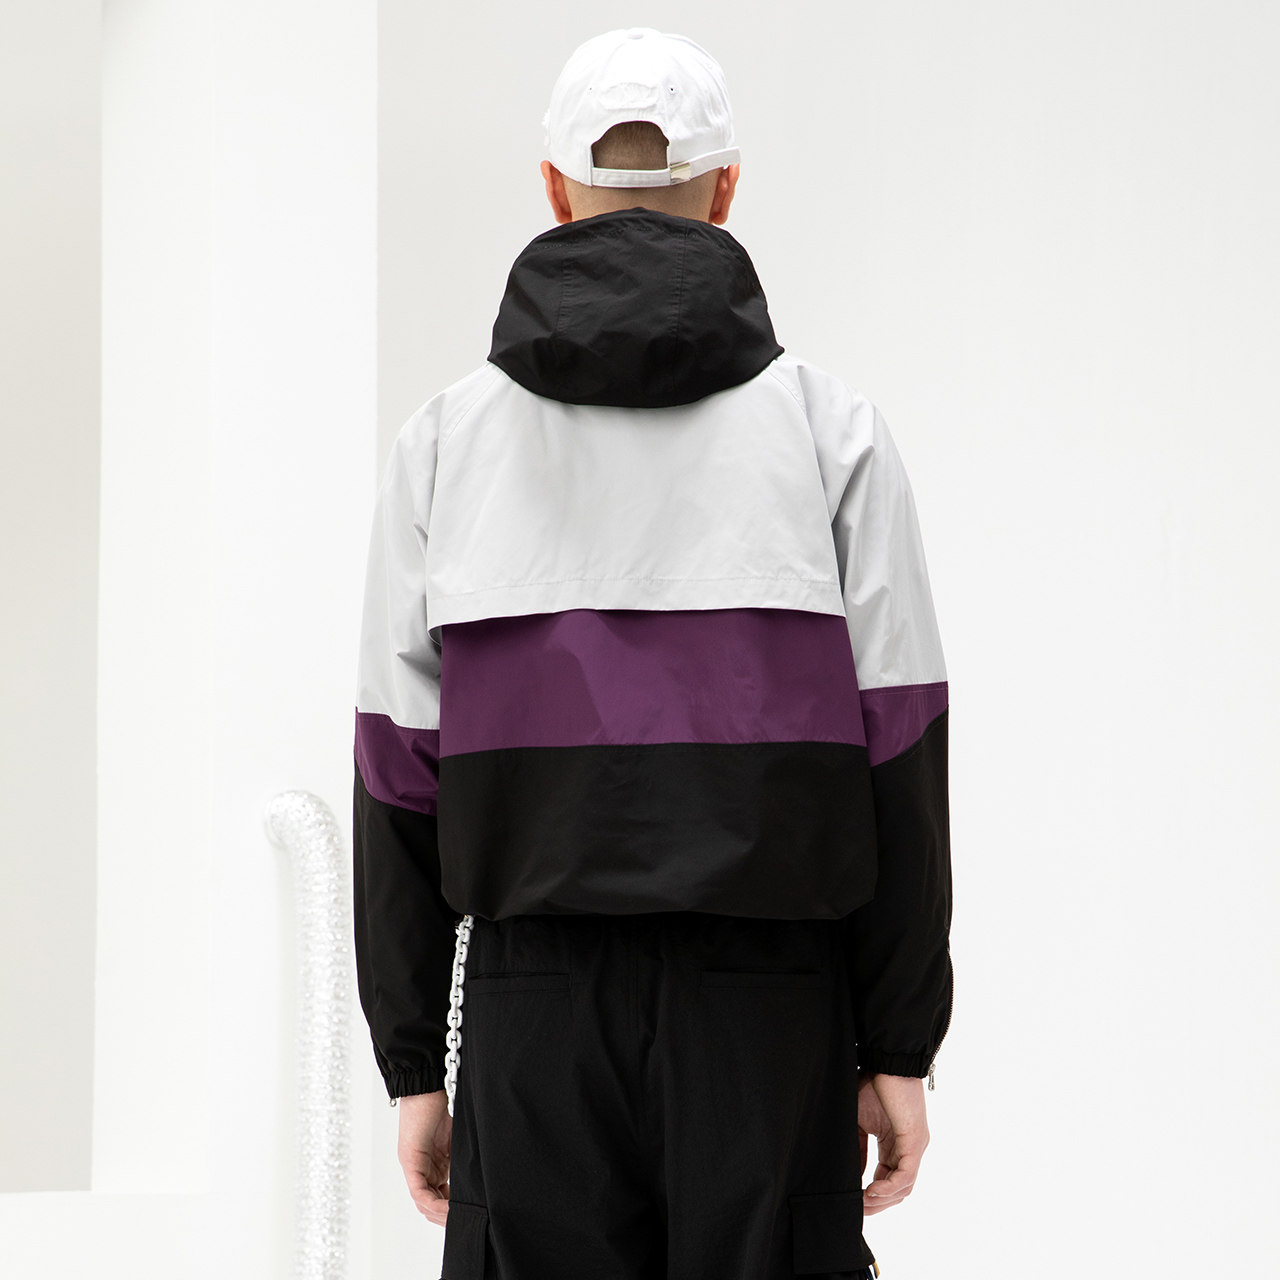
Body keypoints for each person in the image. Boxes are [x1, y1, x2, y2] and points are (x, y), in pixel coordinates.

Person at [352, 26, 952, 1280]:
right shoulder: (830, 434)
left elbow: (397, 771)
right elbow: (899, 751)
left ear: (553, 188)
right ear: (725, 191)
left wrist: (414, 1059)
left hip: (532, 1012)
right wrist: (895, 1041)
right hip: (769, 1003)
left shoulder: (443, 444)